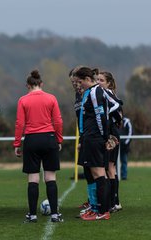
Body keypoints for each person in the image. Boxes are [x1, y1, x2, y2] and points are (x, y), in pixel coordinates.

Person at [14, 70, 63, 223]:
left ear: (27, 85)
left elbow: (19, 123)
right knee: (50, 177)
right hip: (49, 138)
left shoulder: (23, 100)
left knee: (33, 178)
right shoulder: (51, 98)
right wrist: (59, 140)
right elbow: (58, 121)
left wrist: (17, 143)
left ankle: (32, 215)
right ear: (41, 84)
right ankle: (55, 214)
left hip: (31, 140)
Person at [74, 67, 111, 221]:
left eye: (80, 82)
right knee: (96, 174)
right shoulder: (91, 92)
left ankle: (102, 211)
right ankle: (96, 208)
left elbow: (101, 116)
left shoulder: (96, 92)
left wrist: (104, 137)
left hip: (95, 138)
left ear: (88, 79)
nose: (79, 85)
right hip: (90, 137)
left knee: (99, 174)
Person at [97, 71, 123, 213]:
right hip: (110, 131)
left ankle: (113, 202)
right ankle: (115, 201)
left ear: (108, 83)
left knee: (110, 168)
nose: (98, 82)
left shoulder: (106, 92)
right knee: (109, 168)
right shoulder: (104, 93)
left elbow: (118, 105)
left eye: (101, 80)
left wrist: (107, 116)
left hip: (112, 133)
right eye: (97, 79)